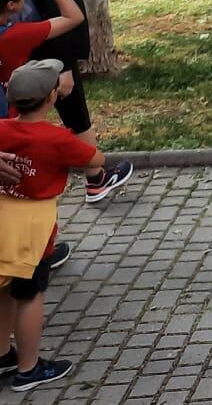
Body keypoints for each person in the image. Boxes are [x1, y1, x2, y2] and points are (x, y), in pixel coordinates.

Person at [0, 59, 131, 390]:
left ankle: (2, 355)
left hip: (3, 214)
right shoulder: (55, 138)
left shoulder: (2, 129)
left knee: (3, 289)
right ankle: (29, 369)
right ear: (52, 97)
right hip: (34, 225)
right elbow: (96, 159)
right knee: (30, 294)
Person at [2, 0, 110, 182]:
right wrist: (65, 66)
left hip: (13, 46)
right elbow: (65, 12)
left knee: (15, 115)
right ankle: (96, 177)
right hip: (49, 44)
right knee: (76, 116)